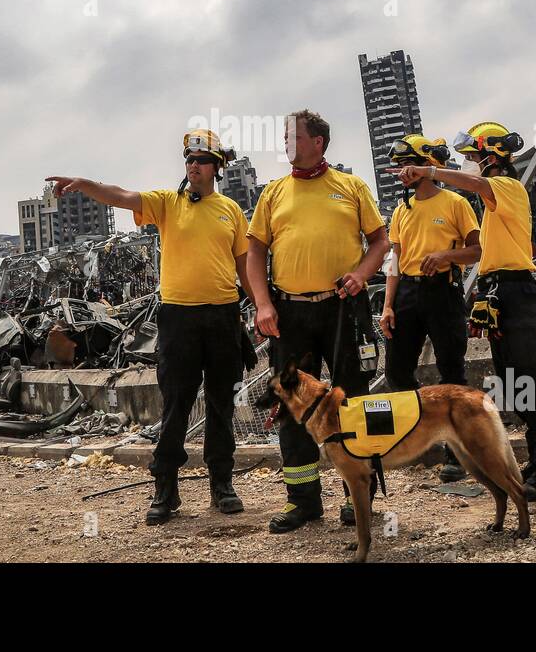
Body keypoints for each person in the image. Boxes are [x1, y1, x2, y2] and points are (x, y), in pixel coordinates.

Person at [47, 128, 255, 525]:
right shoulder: (166, 203)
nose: (193, 166)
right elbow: (121, 195)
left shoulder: (230, 210)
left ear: (216, 168)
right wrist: (85, 184)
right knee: (176, 404)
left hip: (223, 317)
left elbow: (244, 267)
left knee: (221, 404)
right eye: (189, 161)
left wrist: (262, 306)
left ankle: (222, 484)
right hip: (179, 318)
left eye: (201, 161)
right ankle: (166, 488)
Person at [390, 121, 536, 501]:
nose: (469, 165)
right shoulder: (492, 202)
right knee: (515, 381)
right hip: (499, 292)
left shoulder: (507, 187)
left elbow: (474, 185)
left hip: (516, 289)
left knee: (531, 381)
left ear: (491, 157)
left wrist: (430, 171)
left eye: (473, 158)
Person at [247, 109, 390, 532]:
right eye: (284, 138)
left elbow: (380, 241)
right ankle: (304, 501)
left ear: (318, 142)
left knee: (352, 403)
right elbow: (255, 252)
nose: (286, 144)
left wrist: (362, 275)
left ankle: (357, 496)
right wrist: (262, 304)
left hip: (342, 308)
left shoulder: (350, 186)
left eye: (293, 137)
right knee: (293, 407)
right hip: (288, 312)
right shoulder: (273, 193)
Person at [378, 133, 480, 482]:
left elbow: (477, 251)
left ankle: (457, 454)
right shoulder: (400, 211)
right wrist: (388, 306)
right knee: (396, 372)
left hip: (443, 291)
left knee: (452, 371)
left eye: (407, 164)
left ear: (425, 165)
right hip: (407, 292)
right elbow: (395, 259)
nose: (402, 172)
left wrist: (446, 256)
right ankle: (418, 439)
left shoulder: (455, 202)